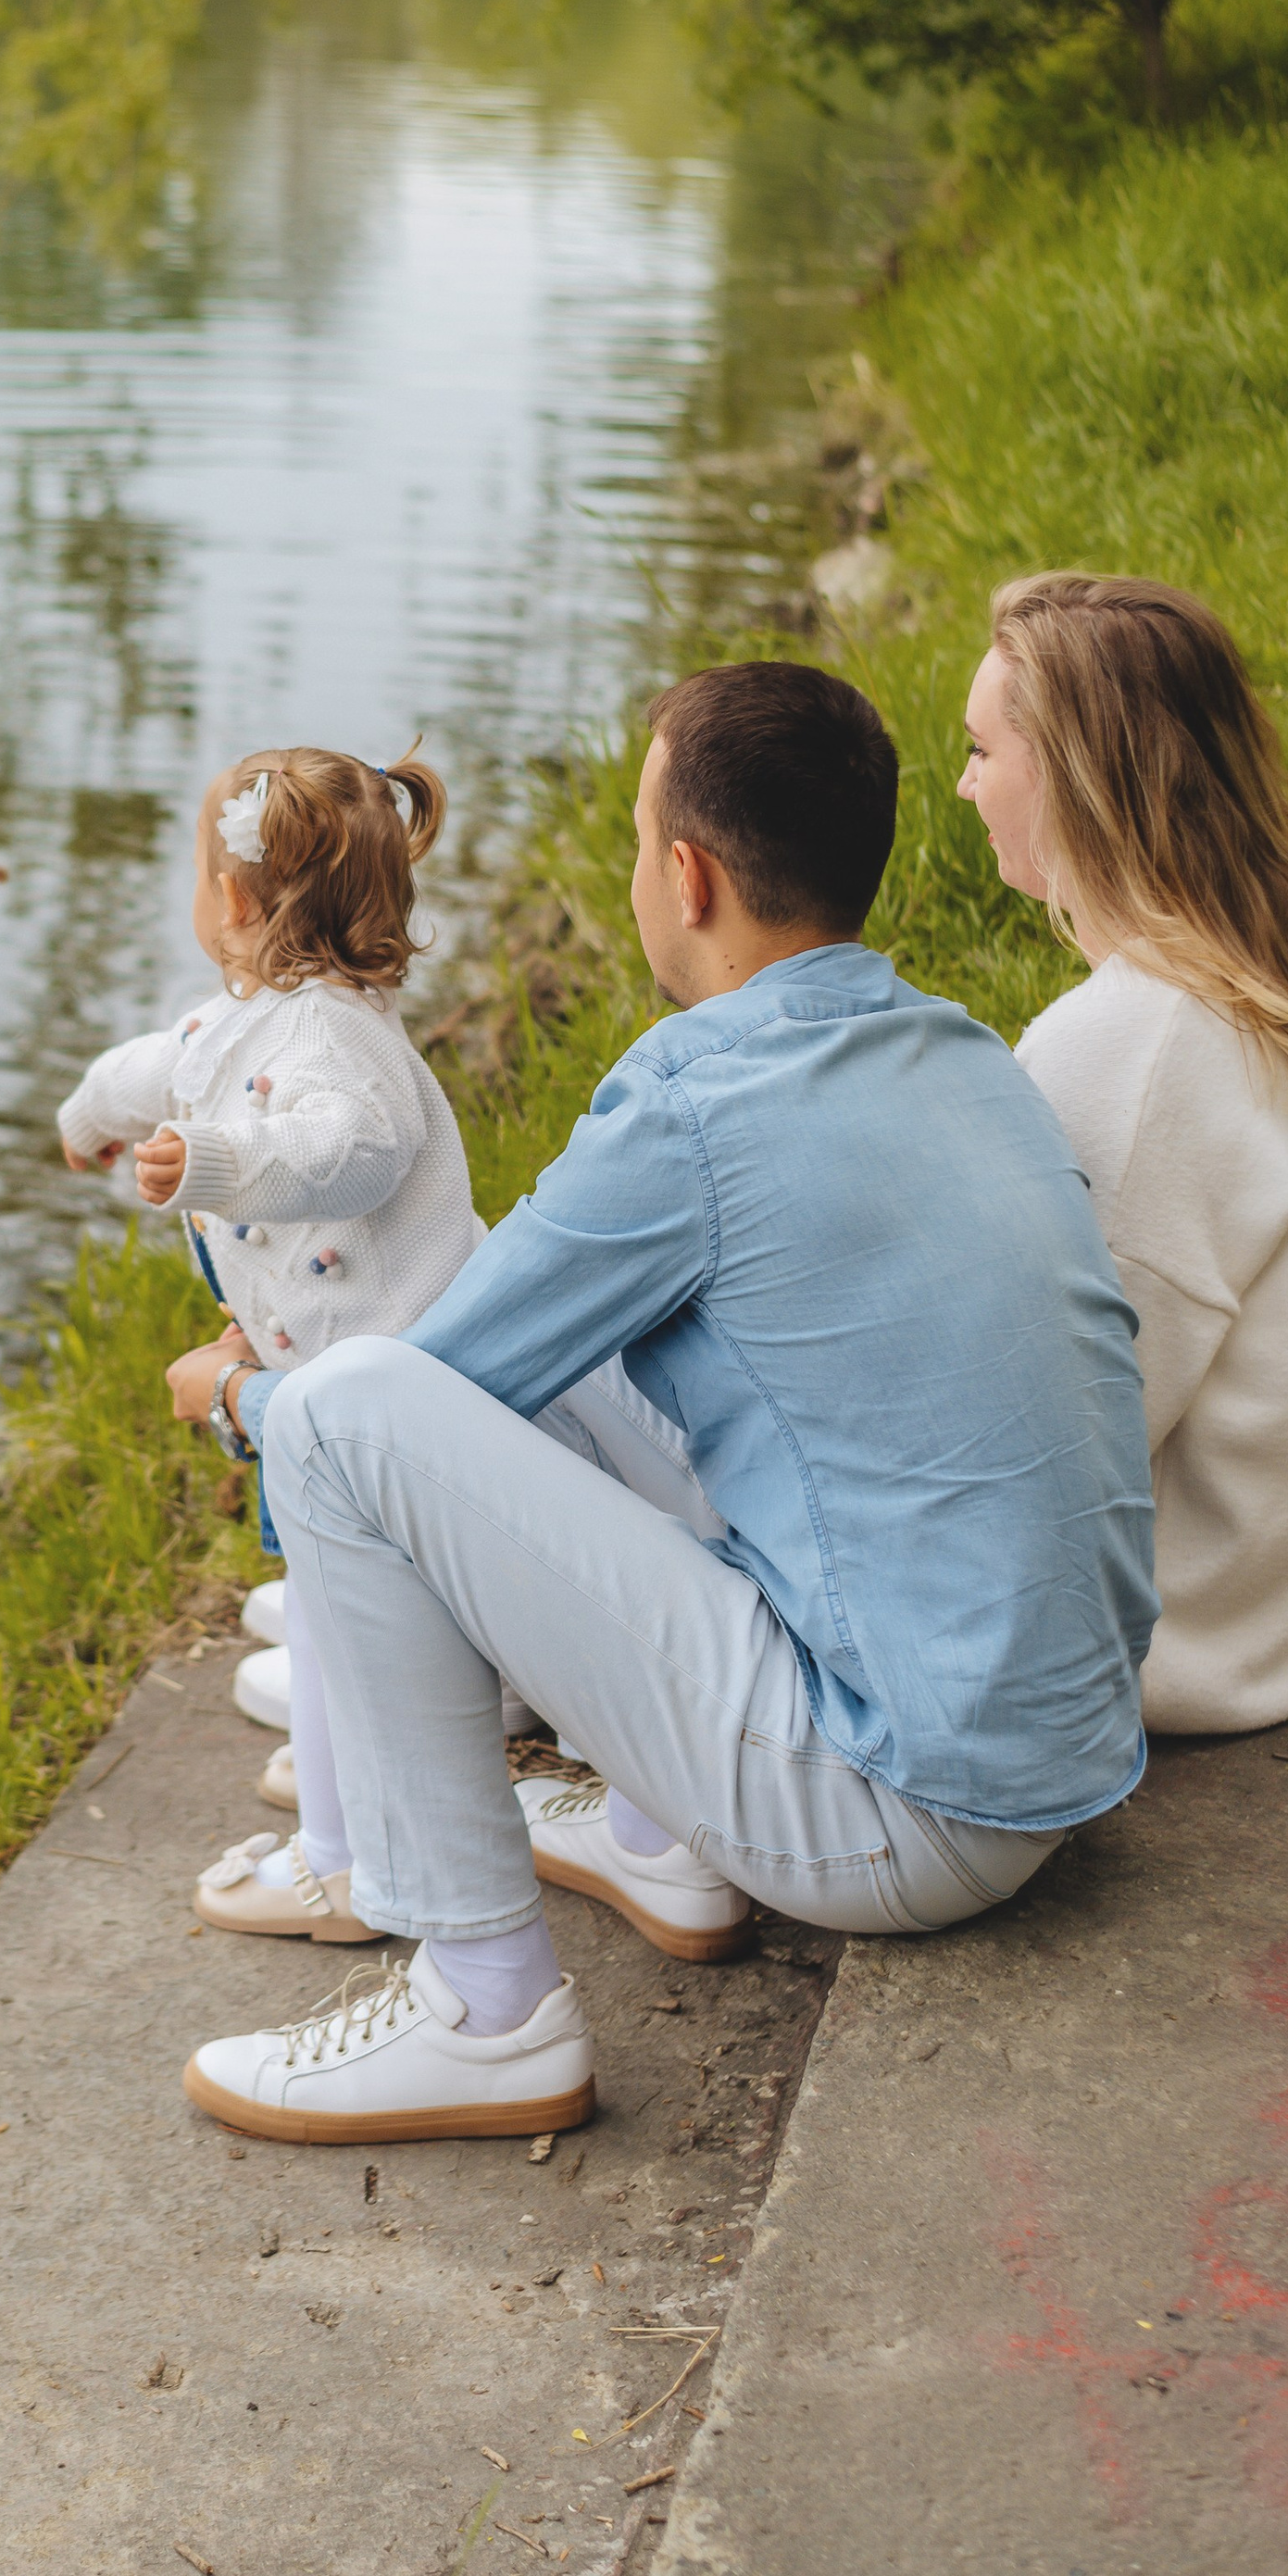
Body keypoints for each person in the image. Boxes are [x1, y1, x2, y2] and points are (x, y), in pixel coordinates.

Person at [169, 661, 1157, 2145]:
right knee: (577, 1324)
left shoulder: (696, 1101)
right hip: (1052, 1752)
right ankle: (653, 1831)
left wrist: (245, 1388)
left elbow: (426, 1391)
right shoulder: (957, 1049)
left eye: (638, 843)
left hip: (896, 1810)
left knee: (340, 1411)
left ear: (685, 878)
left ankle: (482, 2010)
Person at [958, 572, 1288, 1733]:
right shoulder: (1274, 977)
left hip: (1186, 1642)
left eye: (980, 750)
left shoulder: (1131, 1047)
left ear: (1067, 780)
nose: (964, 784)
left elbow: (1037, 1447)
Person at [57, 744, 480, 1943]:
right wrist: (89, 1117)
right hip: (331, 1378)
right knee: (343, 1601)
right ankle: (363, 1743)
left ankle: (340, 1863)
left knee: (352, 1611)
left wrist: (215, 1163)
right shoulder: (253, 1022)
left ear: (233, 900)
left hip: (379, 1387)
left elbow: (351, 1149)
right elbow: (159, 1066)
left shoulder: (341, 1046)